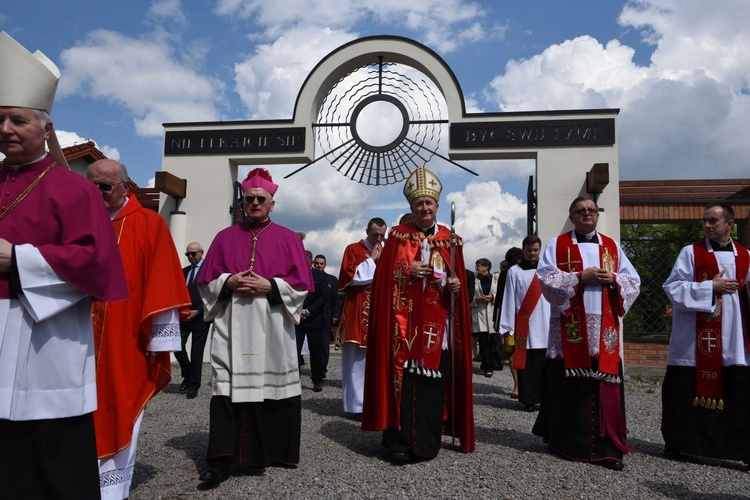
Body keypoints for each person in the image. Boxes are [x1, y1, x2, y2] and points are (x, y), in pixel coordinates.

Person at [0, 31, 128, 499]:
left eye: (17, 119)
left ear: (46, 128)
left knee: (48, 449)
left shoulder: (74, 189)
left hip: (45, 337)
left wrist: (18, 260)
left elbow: (96, 264)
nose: (6, 129)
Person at [197, 168, 314, 484]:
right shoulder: (224, 238)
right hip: (231, 324)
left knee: (270, 389)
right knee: (225, 389)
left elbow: (302, 285)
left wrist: (271, 286)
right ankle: (221, 459)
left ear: (272, 203)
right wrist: (228, 280)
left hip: (272, 325)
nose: (255, 203)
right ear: (242, 203)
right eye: (249, 199)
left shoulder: (289, 238)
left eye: (261, 199)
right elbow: (205, 280)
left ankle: (272, 452)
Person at [88, 158, 191, 499]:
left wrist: (159, 344)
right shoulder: (80, 221)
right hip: (73, 335)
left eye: (104, 186)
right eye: (91, 185)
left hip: (124, 338)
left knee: (119, 403)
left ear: (125, 187)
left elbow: (163, 281)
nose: (96, 192)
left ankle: (110, 491)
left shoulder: (148, 223)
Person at [362, 167, 475, 461]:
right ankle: (398, 441)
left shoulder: (452, 240)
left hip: (438, 322)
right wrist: (406, 271)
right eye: (418, 204)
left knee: (433, 380)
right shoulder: (399, 237)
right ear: (411, 207)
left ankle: (427, 439)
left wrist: (455, 286)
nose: (424, 208)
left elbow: (457, 282)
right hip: (405, 322)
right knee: (404, 380)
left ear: (437, 206)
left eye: (429, 203)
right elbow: (384, 277)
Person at [532, 195, 640, 471]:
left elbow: (633, 281)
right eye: (581, 211)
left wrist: (613, 279)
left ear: (597, 215)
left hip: (605, 330)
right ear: (571, 216)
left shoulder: (612, 246)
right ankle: (566, 442)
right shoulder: (557, 244)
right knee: (570, 385)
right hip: (570, 328)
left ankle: (608, 447)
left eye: (591, 210)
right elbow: (546, 279)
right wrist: (581, 278)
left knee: (604, 383)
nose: (587, 214)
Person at [661, 203, 750, 469]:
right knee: (684, 391)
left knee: (739, 393)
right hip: (693, 339)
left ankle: (740, 449)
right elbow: (673, 288)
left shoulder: (745, 256)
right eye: (704, 221)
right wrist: (710, 286)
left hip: (734, 338)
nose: (707, 226)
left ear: (730, 225)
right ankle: (679, 443)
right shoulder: (690, 253)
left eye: (713, 221)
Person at [337, 217, 387, 415]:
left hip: (377, 309)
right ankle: (355, 406)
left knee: (375, 360)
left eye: (382, 235)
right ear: (367, 231)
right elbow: (349, 277)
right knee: (356, 359)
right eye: (375, 234)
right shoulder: (353, 249)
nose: (379, 239)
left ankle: (371, 403)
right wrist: (371, 261)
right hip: (357, 309)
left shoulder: (386, 250)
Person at [499, 235, 550, 411]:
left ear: (540, 250)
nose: (533, 253)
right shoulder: (515, 271)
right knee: (527, 364)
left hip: (546, 322)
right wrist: (507, 328)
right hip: (525, 324)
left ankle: (545, 398)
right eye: (529, 250)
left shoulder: (548, 269)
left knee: (544, 363)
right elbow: (509, 298)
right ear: (523, 250)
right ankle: (528, 399)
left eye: (536, 250)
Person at [175, 241, 211, 400]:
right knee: (177, 346)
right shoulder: (184, 272)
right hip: (184, 316)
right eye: (188, 254)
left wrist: (200, 311)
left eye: (193, 253)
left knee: (196, 352)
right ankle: (188, 374)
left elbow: (213, 294)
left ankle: (194, 385)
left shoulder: (209, 271)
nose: (191, 256)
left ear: (201, 253)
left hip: (200, 317)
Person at [296, 249, 331, 392]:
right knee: (295, 351)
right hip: (297, 319)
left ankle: (317, 380)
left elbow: (323, 297)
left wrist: (309, 311)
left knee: (316, 352)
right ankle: (294, 379)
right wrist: (297, 310)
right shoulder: (295, 274)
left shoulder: (321, 276)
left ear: (310, 261)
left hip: (315, 319)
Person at [494, 247, 523, 397]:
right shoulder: (507, 274)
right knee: (513, 350)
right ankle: (518, 385)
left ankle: (518, 385)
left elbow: (498, 300)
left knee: (512, 350)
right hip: (515, 316)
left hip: (510, 316)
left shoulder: (507, 273)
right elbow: (500, 298)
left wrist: (496, 320)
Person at [471, 258, 502, 377]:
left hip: (492, 314)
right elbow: (468, 298)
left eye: (478, 265)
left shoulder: (495, 279)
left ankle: (492, 363)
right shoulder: (473, 280)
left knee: (492, 342)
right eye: (476, 265)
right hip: (479, 315)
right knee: (483, 342)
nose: (477, 268)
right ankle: (487, 367)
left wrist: (493, 297)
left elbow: (500, 294)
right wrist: (476, 299)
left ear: (486, 267)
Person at [313, 254, 340, 375]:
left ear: (325, 265)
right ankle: (316, 368)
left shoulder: (332, 280)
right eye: (317, 263)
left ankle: (322, 368)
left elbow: (336, 299)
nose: (319, 265)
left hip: (326, 317)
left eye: (321, 263)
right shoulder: (310, 278)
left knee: (324, 345)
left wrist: (335, 315)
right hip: (312, 317)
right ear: (314, 264)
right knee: (314, 345)